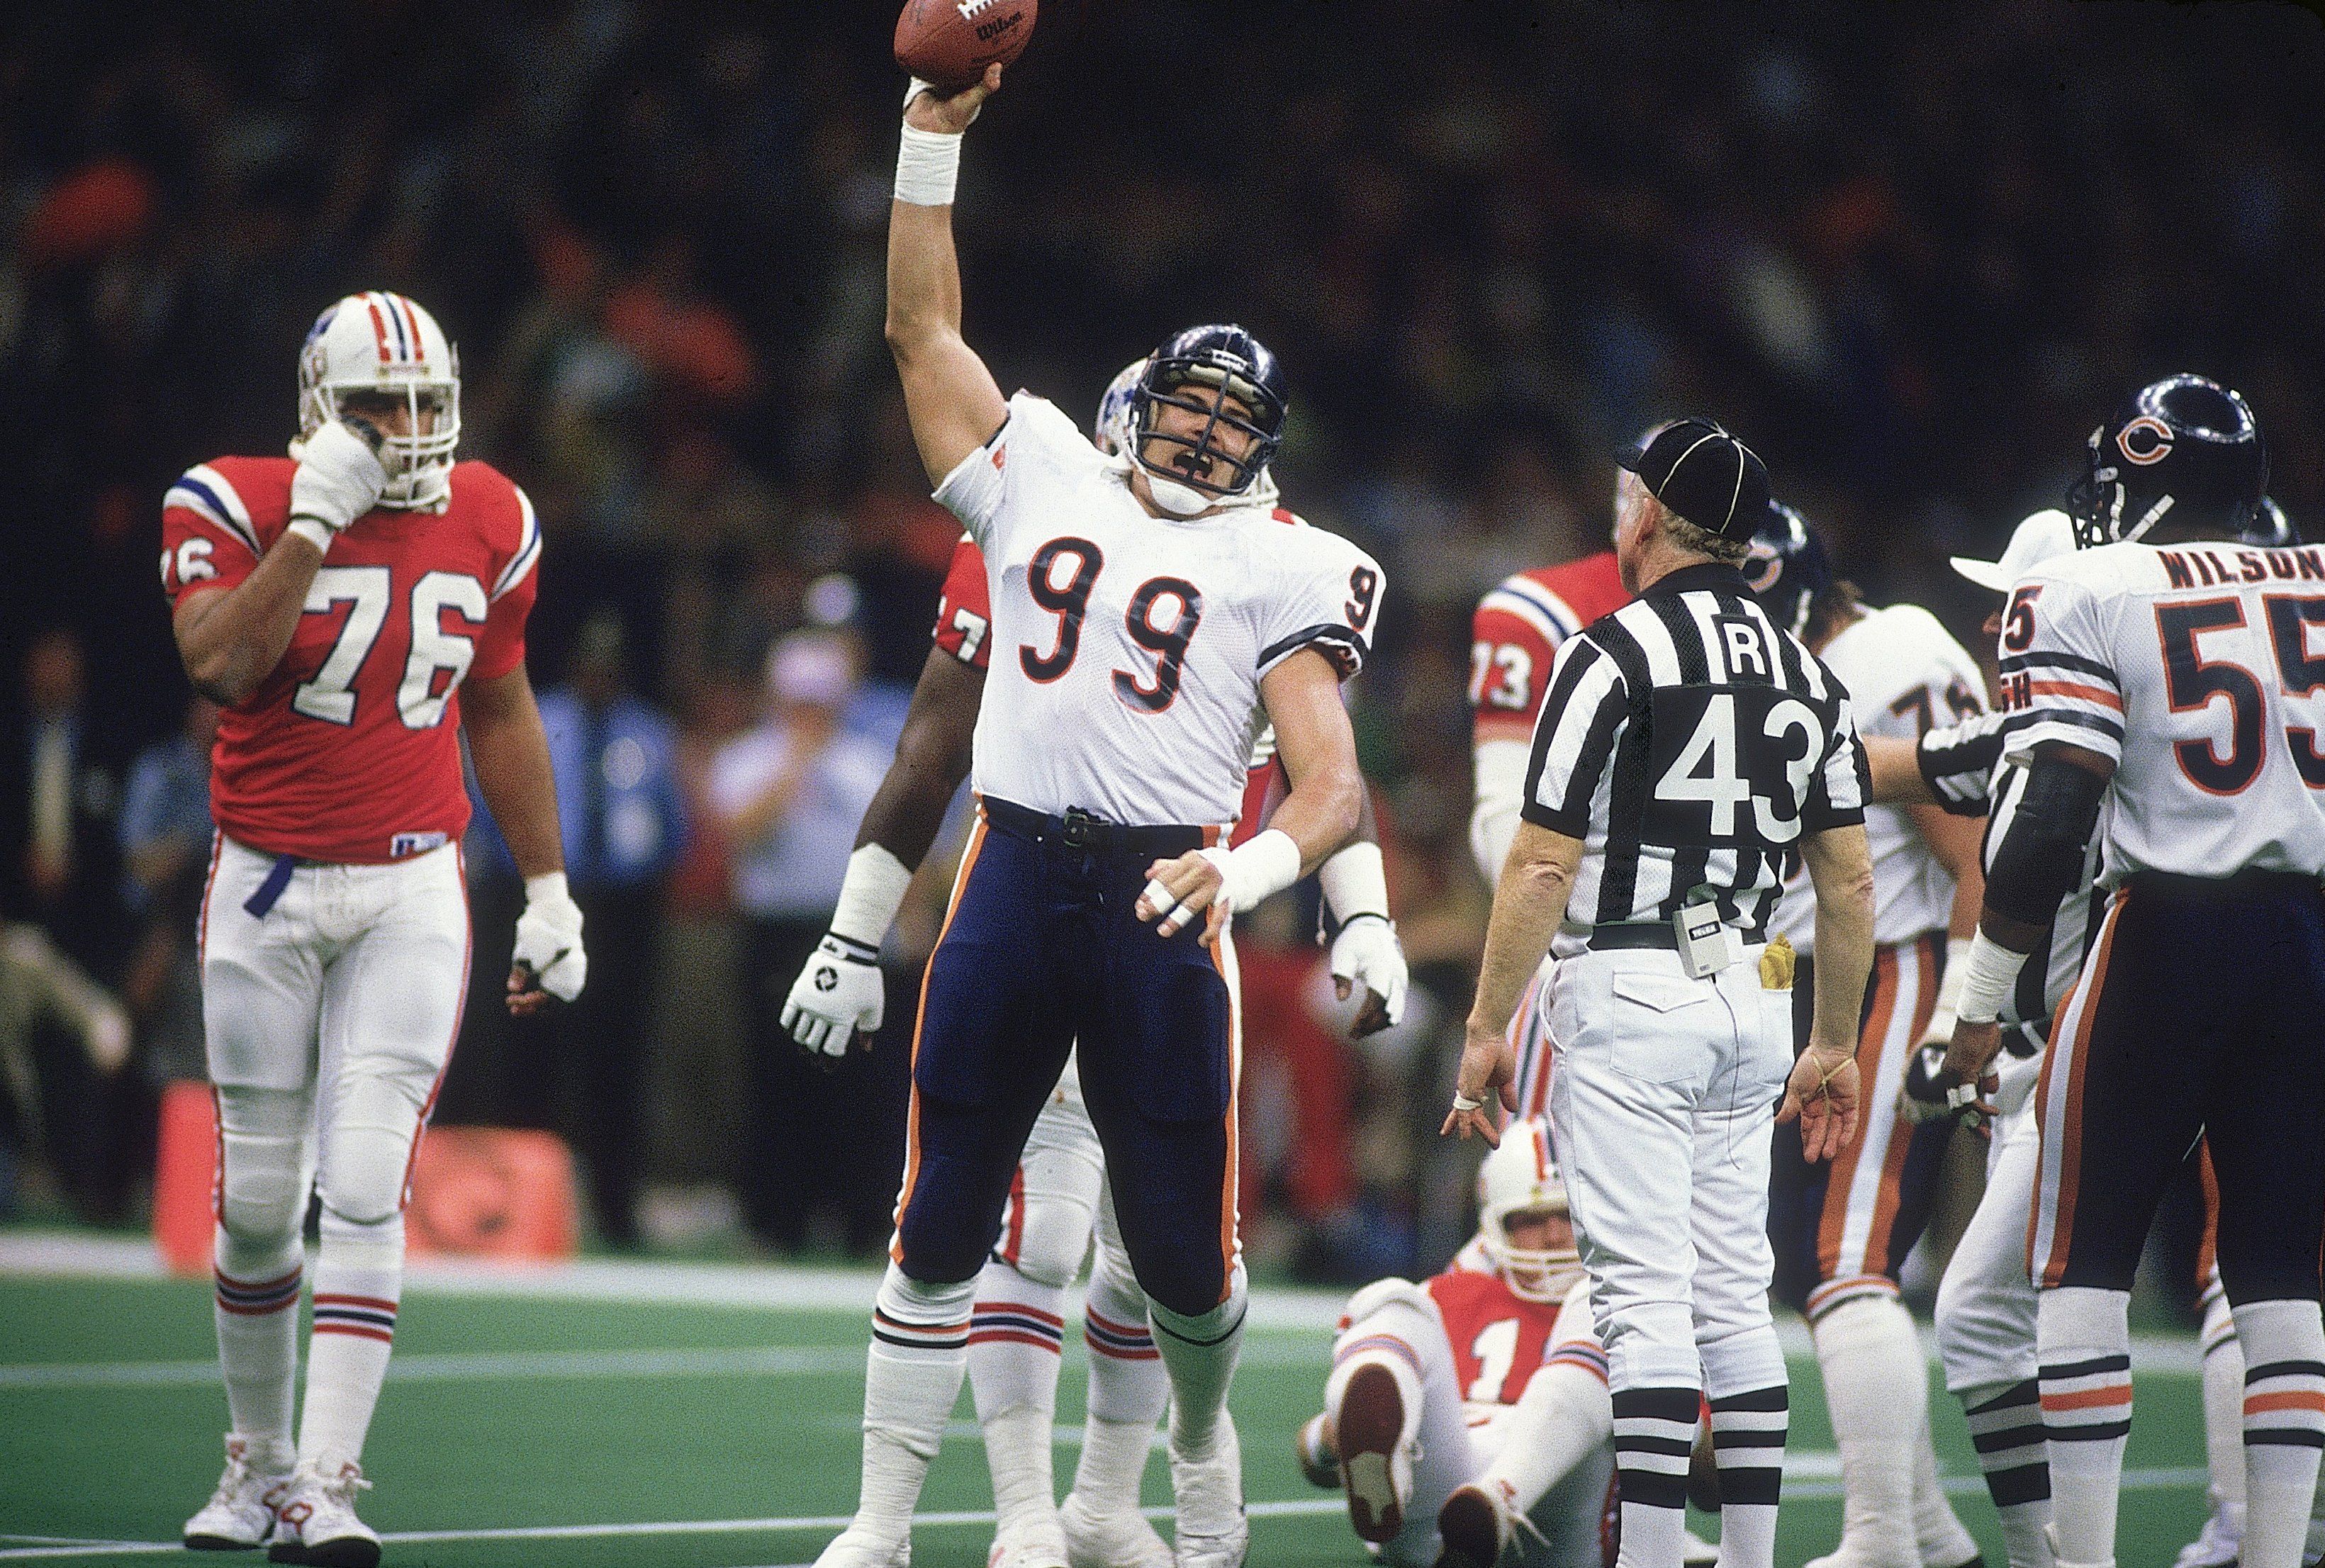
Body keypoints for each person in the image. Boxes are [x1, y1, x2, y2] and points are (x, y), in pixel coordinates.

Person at [809, 63, 1382, 1568]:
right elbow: (918, 330)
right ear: (1139, 397)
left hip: (1154, 895)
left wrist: (1245, 866)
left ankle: (1196, 1444)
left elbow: (1330, 782)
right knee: (941, 1213)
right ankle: (876, 1519)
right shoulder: (1044, 461)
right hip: (1009, 867)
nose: (1198, 436)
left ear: (1263, 443)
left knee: (1183, 1258)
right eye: (1184, 406)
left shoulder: (1287, 559)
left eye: (1227, 420)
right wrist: (926, 138)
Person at [162, 291, 582, 1564]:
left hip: (411, 886)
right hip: (267, 886)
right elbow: (224, 665)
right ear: (316, 410)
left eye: (424, 407)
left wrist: (551, 887)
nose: (405, 431)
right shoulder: (228, 500)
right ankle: (258, 1460)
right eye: (376, 408)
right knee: (255, 1203)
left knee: (363, 1185)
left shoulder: (495, 515)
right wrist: (311, 523)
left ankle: (330, 1483)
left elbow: (500, 706)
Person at [1446, 418, 1876, 1568]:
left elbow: (1540, 861)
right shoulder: (1807, 670)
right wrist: (1832, 1038)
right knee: (1737, 1295)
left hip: (1632, 987)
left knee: (1642, 1304)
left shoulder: (1610, 651)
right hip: (1753, 989)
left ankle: (1639, 1559)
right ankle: (1745, 1557)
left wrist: (1490, 1022)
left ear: (1646, 517)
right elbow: (1846, 877)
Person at [1927, 375, 2325, 1568]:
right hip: (2306, 938)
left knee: (2081, 1257)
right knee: (2278, 1268)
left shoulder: (2091, 584)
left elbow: (2049, 815)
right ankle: (2275, 1552)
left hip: (2168, 933)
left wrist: (1982, 1002)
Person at [1743, 503, 1988, 1568]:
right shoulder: (1786, 670)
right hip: (1809, 987)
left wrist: (1957, 1010)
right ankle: (1928, 1531)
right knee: (1818, 1267)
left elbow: (1980, 843)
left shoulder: (1885, 649)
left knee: (1850, 1263)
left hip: (1902, 965)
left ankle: (1884, 1538)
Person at [1292, 1120, 1615, 1568]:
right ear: (1494, 1226)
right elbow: (1316, 1455)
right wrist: (1333, 1439)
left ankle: (1499, 1501)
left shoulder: (1618, 1302)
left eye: (1567, 1216)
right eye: (1531, 1220)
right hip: (1447, 1504)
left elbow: (1701, 1470)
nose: (1556, 1235)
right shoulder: (1451, 1293)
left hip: (1557, 1527)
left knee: (1604, 1309)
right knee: (1391, 1300)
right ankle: (1399, 1477)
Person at [471, 611, 686, 1246]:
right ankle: (509, 1207)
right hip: (540, 896)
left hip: (620, 908)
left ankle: (618, 1210)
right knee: (528, 1052)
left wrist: (640, 873)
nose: (599, 677)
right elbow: (492, 813)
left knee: (618, 1061)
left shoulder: (647, 733)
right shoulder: (542, 721)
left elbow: (674, 829)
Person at [709, 628, 897, 1253]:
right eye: (798, 701)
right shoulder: (748, 759)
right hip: (774, 929)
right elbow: (741, 834)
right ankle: (775, 1218)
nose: (809, 715)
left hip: (846, 928)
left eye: (819, 702)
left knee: (858, 1079)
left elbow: (898, 851)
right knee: (777, 1073)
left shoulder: (866, 762)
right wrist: (795, 763)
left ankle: (860, 1219)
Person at [1467, 460, 1634, 1120]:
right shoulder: (1544, 612)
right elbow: (1500, 816)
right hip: (1582, 942)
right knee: (1540, 1192)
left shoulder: (1764, 626)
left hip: (1731, 957)